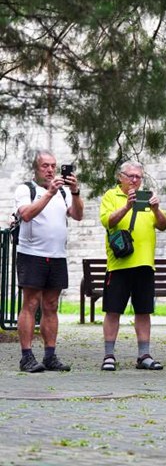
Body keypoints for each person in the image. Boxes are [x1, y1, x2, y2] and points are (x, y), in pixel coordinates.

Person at [13, 151, 84, 372]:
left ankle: (50, 355)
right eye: (45, 166)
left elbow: (78, 215)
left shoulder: (63, 192)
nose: (50, 170)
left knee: (51, 305)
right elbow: (26, 215)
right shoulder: (26, 189)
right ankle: (26, 356)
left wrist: (75, 192)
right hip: (32, 253)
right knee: (31, 303)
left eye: (53, 165)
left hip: (57, 255)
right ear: (36, 168)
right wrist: (49, 194)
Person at [99, 161, 166, 371]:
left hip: (145, 264)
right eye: (130, 176)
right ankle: (109, 355)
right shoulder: (111, 196)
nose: (134, 180)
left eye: (138, 176)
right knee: (113, 310)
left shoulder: (147, 197)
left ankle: (144, 355)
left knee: (143, 311)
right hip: (119, 264)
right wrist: (127, 206)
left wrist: (156, 209)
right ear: (120, 177)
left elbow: (163, 225)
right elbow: (107, 221)